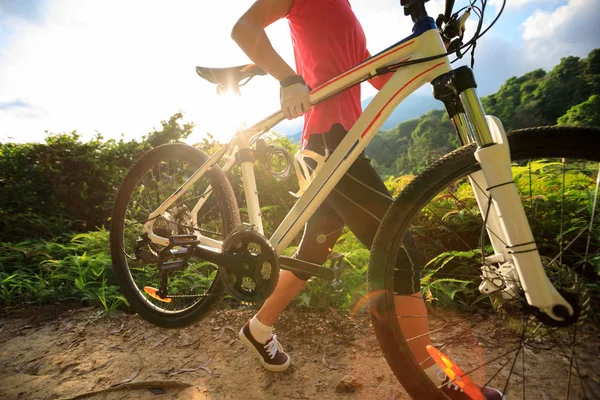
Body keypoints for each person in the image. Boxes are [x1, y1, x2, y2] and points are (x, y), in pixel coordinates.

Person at [231, 1, 502, 399]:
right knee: (400, 253)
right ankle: (431, 379)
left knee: (313, 251)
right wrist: (288, 78)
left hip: (343, 139)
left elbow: (375, 77)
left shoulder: (344, 11)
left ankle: (258, 328)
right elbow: (244, 28)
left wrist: (426, 53)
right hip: (330, 140)